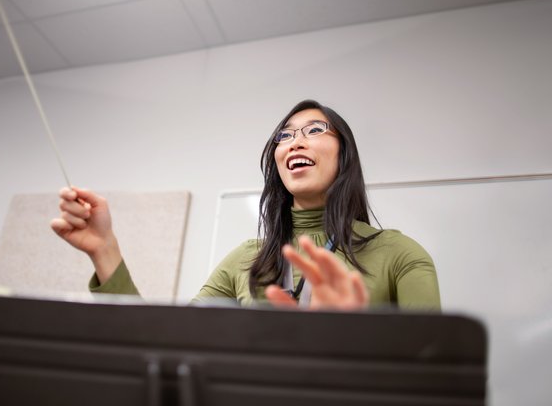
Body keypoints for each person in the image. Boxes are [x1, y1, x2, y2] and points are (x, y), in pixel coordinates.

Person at [52, 99, 440, 310]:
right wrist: (105, 251)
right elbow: (163, 344)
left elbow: (432, 389)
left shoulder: (400, 255)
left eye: (315, 130)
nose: (294, 142)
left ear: (346, 153)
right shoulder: (246, 259)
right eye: (284, 136)